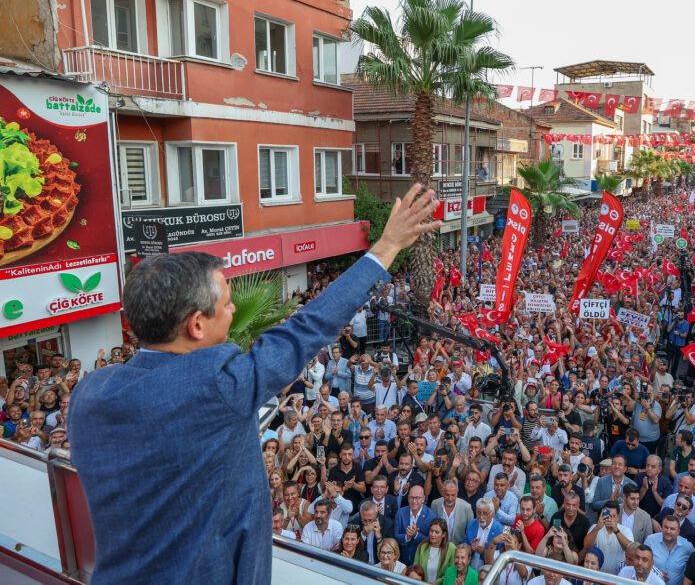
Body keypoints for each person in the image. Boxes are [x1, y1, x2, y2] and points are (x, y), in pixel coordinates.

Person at [68, 184, 440, 583]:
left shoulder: (88, 394)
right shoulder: (220, 387)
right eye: (227, 303)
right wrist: (386, 246)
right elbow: (308, 327)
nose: (233, 310)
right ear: (196, 325)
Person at [413, 518, 455, 585]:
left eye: (437, 532)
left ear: (444, 534)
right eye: (431, 531)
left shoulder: (451, 548)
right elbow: (415, 569)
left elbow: (452, 573)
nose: (433, 534)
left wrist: (436, 583)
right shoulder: (422, 546)